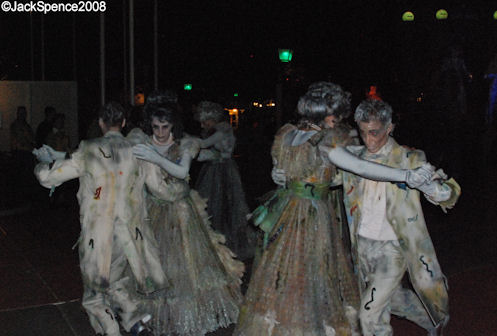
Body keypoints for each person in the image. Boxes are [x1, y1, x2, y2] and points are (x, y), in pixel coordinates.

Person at [235, 81, 436, 336]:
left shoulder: (288, 134)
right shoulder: (322, 142)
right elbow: (359, 167)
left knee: (292, 275)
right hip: (310, 215)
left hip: (290, 211)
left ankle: (296, 324)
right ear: (326, 115)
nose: (338, 121)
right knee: (308, 273)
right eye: (336, 116)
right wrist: (406, 175)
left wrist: (280, 174)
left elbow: (358, 162)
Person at [33, 101, 177, 336]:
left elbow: (50, 178)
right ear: (122, 123)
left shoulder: (88, 149)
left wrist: (40, 165)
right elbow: (159, 188)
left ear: (101, 123)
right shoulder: (138, 150)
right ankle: (135, 320)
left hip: (98, 234)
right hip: (128, 233)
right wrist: (181, 191)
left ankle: (111, 328)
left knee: (94, 289)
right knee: (116, 280)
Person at [340, 99, 460, 336]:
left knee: (369, 314)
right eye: (363, 132)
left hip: (393, 248)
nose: (368, 139)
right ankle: (432, 321)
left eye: (374, 132)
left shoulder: (410, 158)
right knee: (392, 300)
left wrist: (429, 187)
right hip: (362, 245)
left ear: (389, 128)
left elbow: (449, 194)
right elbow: (331, 181)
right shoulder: (353, 160)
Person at [131, 102, 244, 336]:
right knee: (157, 260)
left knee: (186, 263)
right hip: (154, 208)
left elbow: (182, 172)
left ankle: (188, 312)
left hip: (181, 211)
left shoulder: (184, 144)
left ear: (173, 125)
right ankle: (155, 311)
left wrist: (155, 156)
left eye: (164, 126)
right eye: (155, 127)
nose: (160, 132)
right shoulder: (144, 143)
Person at [194, 101, 254, 260]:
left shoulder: (222, 130)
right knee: (212, 206)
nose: (202, 125)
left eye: (204, 121)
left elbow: (205, 144)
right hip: (214, 169)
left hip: (223, 171)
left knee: (225, 205)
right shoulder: (215, 130)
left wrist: (189, 142)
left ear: (212, 118)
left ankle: (228, 244)